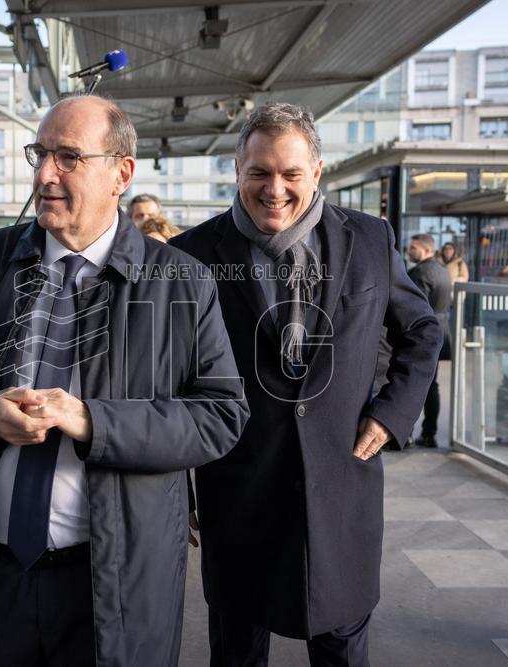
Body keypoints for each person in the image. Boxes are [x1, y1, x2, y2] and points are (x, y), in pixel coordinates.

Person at [0, 94, 248, 666]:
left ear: (121, 173)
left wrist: (92, 421)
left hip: (115, 584)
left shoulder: (181, 282)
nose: (43, 174)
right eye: (39, 153)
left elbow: (221, 415)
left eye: (67, 157)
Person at [170, 102, 441, 666]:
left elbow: (420, 329)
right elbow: (168, 379)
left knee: (342, 649)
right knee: (237, 650)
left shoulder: (368, 239)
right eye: (259, 172)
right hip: (238, 491)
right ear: (238, 171)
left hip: (342, 488)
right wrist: (178, 485)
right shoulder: (192, 256)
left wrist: (392, 414)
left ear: (316, 173)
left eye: (291, 173)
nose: (275, 189)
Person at [407, 233, 452, 448]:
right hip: (440, 332)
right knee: (431, 385)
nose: (409, 251)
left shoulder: (419, 273)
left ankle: (406, 434)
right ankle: (429, 433)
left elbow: (412, 308)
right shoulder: (443, 271)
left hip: (422, 335)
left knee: (411, 384)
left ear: (426, 249)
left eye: (413, 248)